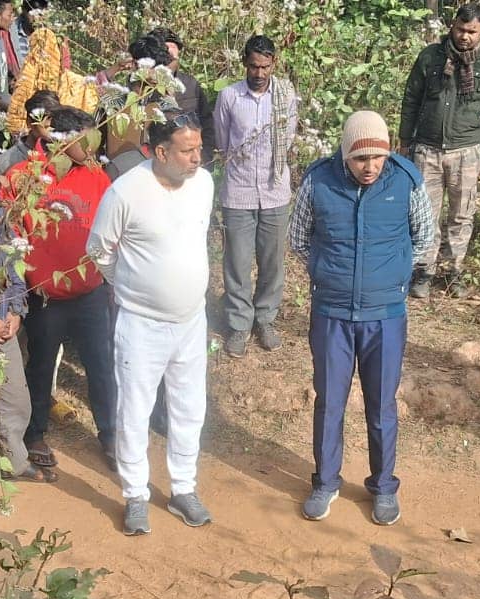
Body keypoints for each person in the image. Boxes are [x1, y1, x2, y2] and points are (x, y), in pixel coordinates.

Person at [289, 111, 434, 526]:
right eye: (359, 159)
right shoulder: (318, 181)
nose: (370, 167)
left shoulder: (406, 180)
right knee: (330, 402)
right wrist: (326, 271)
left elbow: (424, 236)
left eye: (377, 158)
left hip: (385, 316)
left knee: (382, 406)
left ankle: (384, 487)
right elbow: (299, 239)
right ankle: (325, 482)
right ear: (344, 154)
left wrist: (394, 275)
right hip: (331, 313)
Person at [87, 117, 215, 535]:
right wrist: (133, 287)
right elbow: (99, 251)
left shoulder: (204, 184)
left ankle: (182, 489)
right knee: (135, 411)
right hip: (141, 324)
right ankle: (136, 495)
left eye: (198, 148)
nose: (197, 157)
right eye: (187, 150)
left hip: (191, 321)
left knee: (189, 407)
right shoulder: (125, 192)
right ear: (160, 152)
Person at [1, 107, 117, 474]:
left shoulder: (97, 177)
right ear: (61, 140)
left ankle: (111, 435)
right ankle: (34, 435)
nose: (94, 144)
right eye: (87, 138)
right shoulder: (24, 178)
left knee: (101, 365)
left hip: (91, 291)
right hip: (44, 296)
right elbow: (8, 235)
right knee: (40, 366)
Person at [399, 2, 480, 299]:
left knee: (462, 215)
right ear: (452, 25)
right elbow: (411, 100)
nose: (465, 37)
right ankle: (424, 271)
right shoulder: (430, 57)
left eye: (472, 31)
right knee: (425, 214)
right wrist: (404, 141)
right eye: (461, 29)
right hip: (427, 149)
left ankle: (453, 272)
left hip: (467, 151)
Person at [214, 34, 298, 357]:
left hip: (275, 191)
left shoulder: (286, 96)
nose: (259, 73)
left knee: (273, 261)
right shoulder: (229, 97)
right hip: (238, 191)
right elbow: (223, 143)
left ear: (273, 63)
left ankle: (265, 319)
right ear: (244, 64)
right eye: (253, 66)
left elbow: (287, 138)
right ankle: (238, 324)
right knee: (236, 261)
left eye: (264, 66)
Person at [102, 35, 176, 180]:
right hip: (116, 180)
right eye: (154, 67)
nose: (157, 73)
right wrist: (117, 67)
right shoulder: (113, 100)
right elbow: (88, 88)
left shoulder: (165, 104)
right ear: (135, 65)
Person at [148, 27, 214, 163]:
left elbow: (207, 124)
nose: (169, 53)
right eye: (163, 48)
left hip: (188, 164)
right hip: (151, 164)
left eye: (173, 47)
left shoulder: (190, 85)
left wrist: (203, 158)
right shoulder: (140, 85)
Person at [0, 90, 63, 180]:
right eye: (46, 127)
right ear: (29, 122)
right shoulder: (6, 162)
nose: (52, 131)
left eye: (55, 124)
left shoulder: (64, 157)